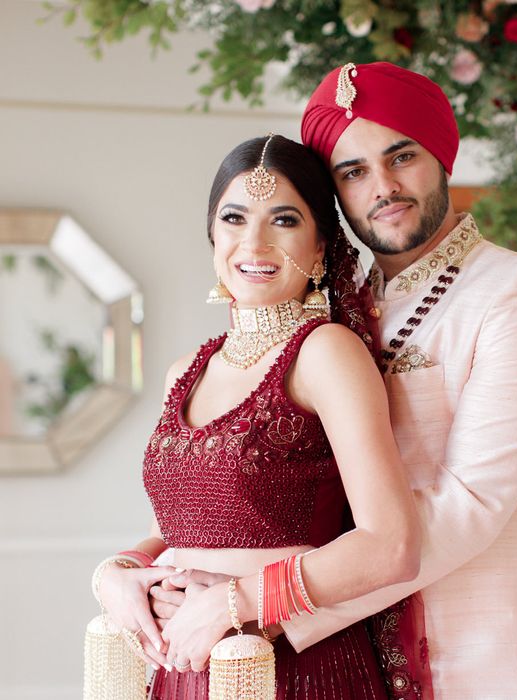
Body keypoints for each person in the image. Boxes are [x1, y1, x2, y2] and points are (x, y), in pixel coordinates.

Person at [156, 63, 517, 698]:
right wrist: (136, 571)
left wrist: (258, 601)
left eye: (401, 156)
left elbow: (471, 504)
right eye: (352, 172)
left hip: (472, 661)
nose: (382, 187)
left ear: (440, 156)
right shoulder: (332, 312)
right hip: (341, 666)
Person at [93, 133, 428, 699]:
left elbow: (390, 543)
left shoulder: (324, 353)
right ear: (212, 236)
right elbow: (171, 533)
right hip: (185, 668)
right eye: (234, 218)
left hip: (294, 669)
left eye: (284, 221)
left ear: (322, 245)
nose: (255, 242)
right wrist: (117, 578)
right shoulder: (185, 372)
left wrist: (235, 601)